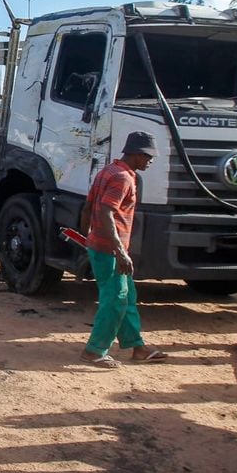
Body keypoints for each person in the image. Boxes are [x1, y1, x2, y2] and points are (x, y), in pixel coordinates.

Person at [78, 131, 168, 369]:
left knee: (127, 296)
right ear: (137, 154)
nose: (151, 160)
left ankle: (137, 346)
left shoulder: (108, 171)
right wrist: (120, 251)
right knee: (115, 299)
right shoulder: (123, 179)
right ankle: (94, 351)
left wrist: (86, 237)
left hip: (103, 245)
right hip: (110, 249)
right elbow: (105, 212)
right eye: (149, 156)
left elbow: (88, 207)